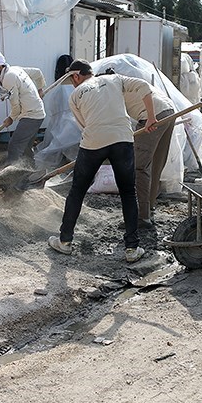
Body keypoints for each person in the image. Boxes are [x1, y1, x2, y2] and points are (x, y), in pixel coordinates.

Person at [48, 59, 158, 263]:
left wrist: (96, 144)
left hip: (93, 141)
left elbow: (84, 126)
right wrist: (151, 117)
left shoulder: (75, 95)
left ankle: (64, 242)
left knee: (77, 191)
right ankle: (132, 248)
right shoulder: (115, 79)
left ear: (76, 76)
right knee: (128, 192)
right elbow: (143, 87)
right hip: (122, 139)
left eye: (72, 79)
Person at [122, 75, 177, 229]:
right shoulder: (126, 81)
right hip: (168, 111)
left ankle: (142, 217)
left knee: (140, 167)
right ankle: (149, 209)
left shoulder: (111, 90)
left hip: (153, 116)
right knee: (155, 165)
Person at [0, 51, 46, 171]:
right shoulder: (16, 69)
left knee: (15, 146)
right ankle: (30, 172)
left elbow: (16, 104)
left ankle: (11, 177)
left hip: (32, 115)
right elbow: (37, 72)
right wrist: (40, 88)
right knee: (25, 148)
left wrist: (11, 118)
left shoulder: (8, 77)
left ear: (0, 67)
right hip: (37, 113)